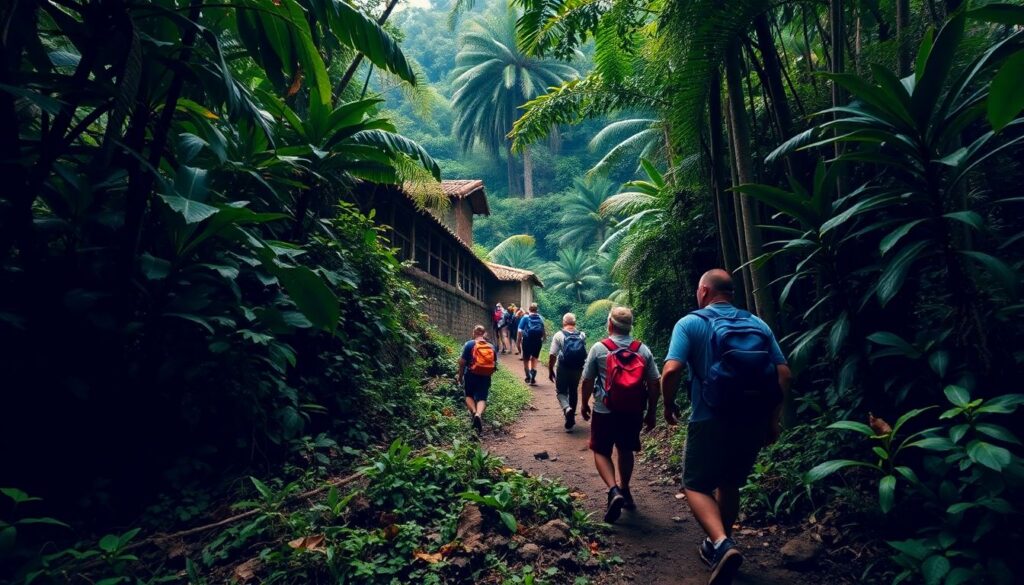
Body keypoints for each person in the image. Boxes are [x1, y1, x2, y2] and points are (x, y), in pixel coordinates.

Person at [661, 269, 792, 585]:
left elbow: (672, 370)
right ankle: (719, 543)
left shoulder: (690, 323)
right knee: (730, 482)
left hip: (710, 417)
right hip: (752, 419)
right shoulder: (757, 323)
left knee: (695, 485)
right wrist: (772, 420)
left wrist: (667, 404)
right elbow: (784, 374)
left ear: (704, 291)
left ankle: (721, 543)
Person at [580, 307, 660, 523]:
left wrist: (584, 404)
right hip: (633, 410)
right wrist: (652, 412)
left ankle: (613, 490)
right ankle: (625, 489)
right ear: (630, 327)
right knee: (625, 449)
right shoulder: (642, 350)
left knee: (601, 450)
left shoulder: (599, 348)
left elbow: (587, 380)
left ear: (610, 325)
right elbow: (654, 382)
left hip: (604, 409)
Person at [548, 313, 587, 431]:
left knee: (561, 392)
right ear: (574, 322)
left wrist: (550, 369)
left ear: (563, 322)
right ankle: (571, 417)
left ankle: (567, 408)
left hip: (563, 367)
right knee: (573, 390)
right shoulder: (582, 335)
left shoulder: (559, 335)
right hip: (578, 368)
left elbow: (552, 354)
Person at [457, 325, 498, 435]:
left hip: (471, 374)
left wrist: (460, 377)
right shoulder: (491, 346)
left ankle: (474, 412)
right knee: (482, 397)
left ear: (474, 333)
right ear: (484, 334)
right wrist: (487, 374)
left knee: (469, 395)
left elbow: (462, 362)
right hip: (485, 376)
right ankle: (478, 414)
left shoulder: (469, 344)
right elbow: (494, 365)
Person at [517, 303, 546, 385]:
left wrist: (518, 341)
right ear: (537, 310)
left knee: (526, 359)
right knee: (534, 358)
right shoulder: (541, 318)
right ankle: (533, 375)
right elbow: (543, 330)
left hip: (527, 341)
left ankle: (528, 376)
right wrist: (543, 339)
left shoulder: (525, 317)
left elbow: (520, 331)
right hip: (537, 341)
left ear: (529, 309)